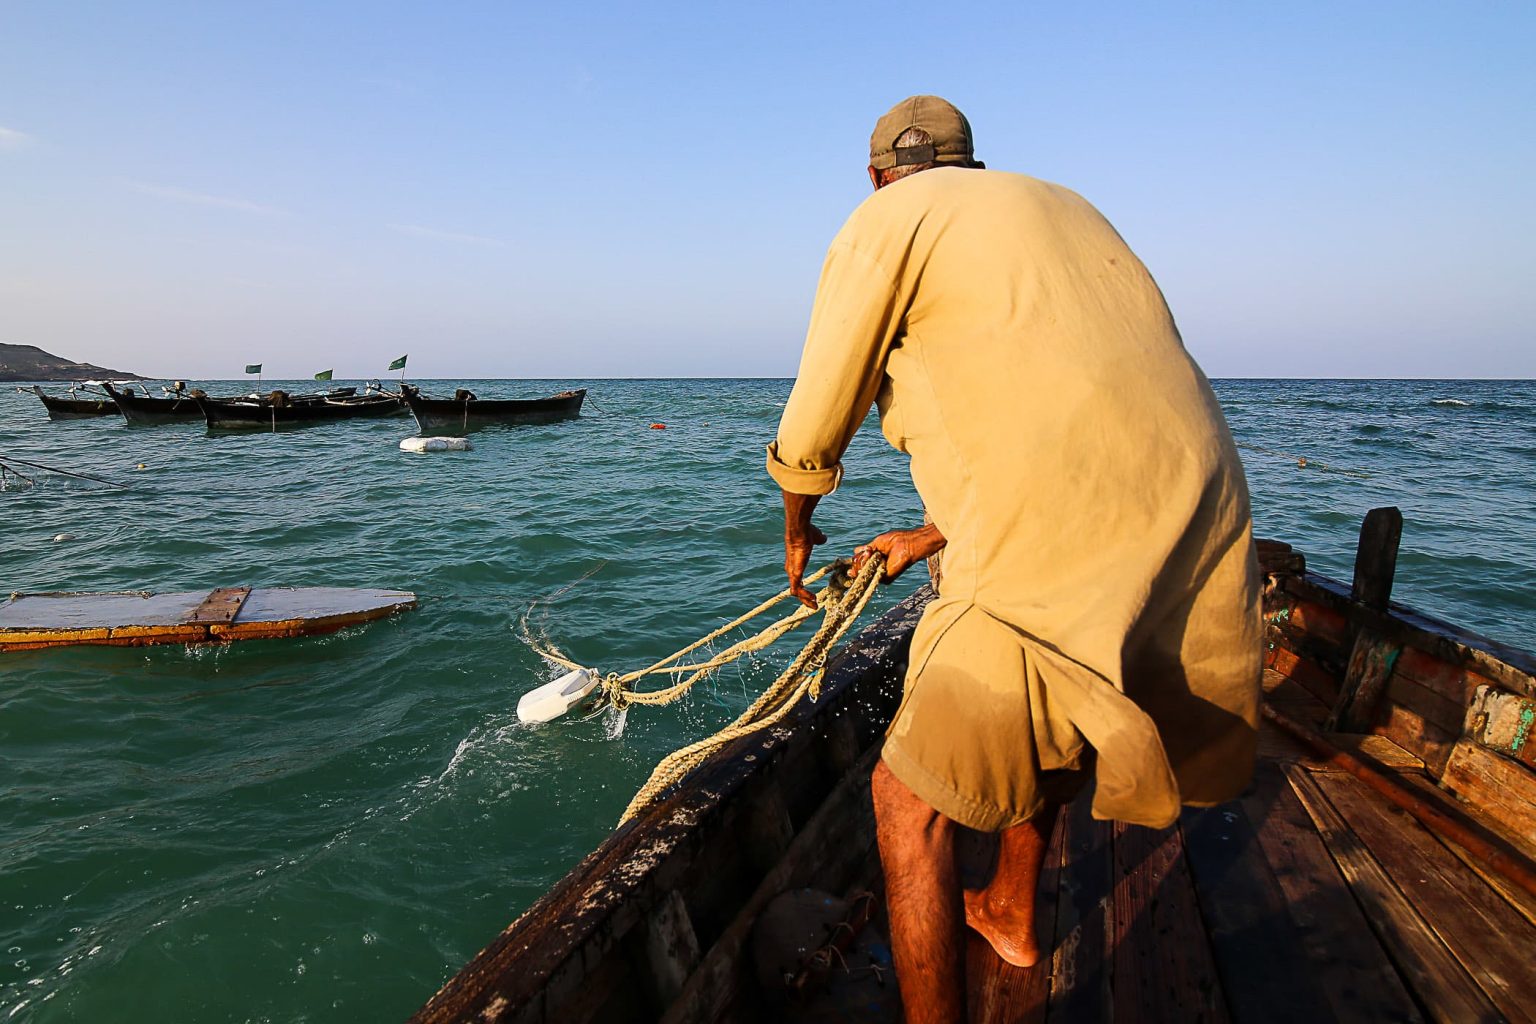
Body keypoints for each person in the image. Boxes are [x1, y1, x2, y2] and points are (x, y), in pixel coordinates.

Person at [765, 95, 1262, 1023]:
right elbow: (1070, 418)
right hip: (1199, 505)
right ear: (972, 164)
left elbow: (814, 419)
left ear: (878, 176)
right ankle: (1009, 911)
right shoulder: (1070, 209)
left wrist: (798, 528)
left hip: (1053, 535)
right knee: (1064, 688)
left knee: (905, 805)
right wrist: (928, 533)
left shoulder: (886, 219)